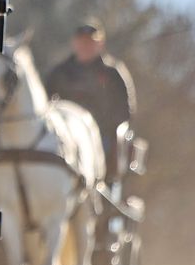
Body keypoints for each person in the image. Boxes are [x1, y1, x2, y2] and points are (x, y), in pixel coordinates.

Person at [44, 20, 136, 175]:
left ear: (100, 44)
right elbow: (45, 103)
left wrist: (100, 128)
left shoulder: (112, 73)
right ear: (74, 43)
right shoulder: (60, 72)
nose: (85, 45)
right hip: (65, 133)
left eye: (91, 41)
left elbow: (124, 110)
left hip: (103, 134)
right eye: (82, 41)